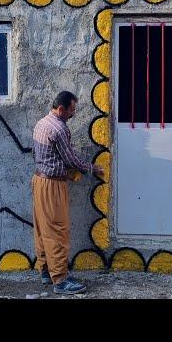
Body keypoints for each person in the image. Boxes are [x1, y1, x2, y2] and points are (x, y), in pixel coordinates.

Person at [31, 91, 104, 295]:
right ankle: (61, 280)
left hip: (38, 181)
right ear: (61, 109)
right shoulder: (59, 129)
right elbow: (71, 159)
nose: (73, 114)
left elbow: (34, 153)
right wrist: (91, 168)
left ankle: (46, 271)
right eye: (71, 110)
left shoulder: (41, 123)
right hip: (52, 185)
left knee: (42, 228)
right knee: (57, 231)